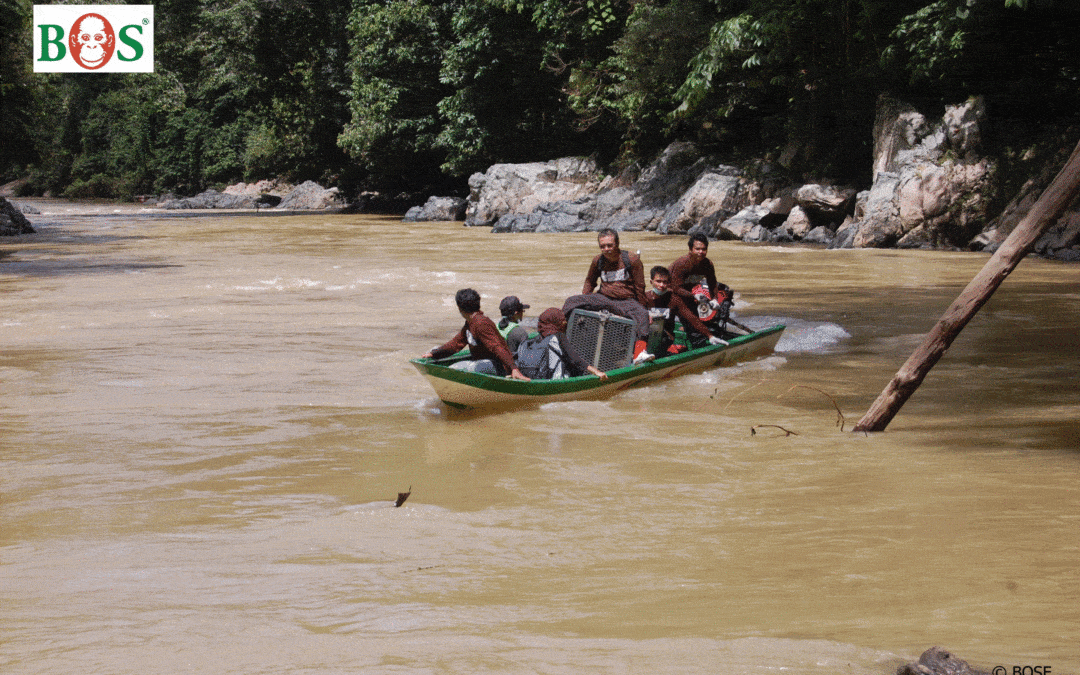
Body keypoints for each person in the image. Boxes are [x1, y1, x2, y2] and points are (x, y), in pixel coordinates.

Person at [560, 228, 654, 364]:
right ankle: (561, 333)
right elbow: (590, 281)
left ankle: (639, 352)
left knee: (642, 315)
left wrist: (645, 309)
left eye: (610, 245)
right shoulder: (598, 260)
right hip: (603, 297)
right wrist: (585, 300)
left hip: (626, 300)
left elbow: (640, 287)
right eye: (602, 246)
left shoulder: (631, 260)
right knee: (572, 301)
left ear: (617, 244)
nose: (607, 249)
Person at [422, 288, 530, 380]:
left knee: (455, 369)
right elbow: (456, 343)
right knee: (437, 351)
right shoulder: (471, 322)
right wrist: (435, 353)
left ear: (460, 308)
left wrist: (513, 368)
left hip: (499, 366)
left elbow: (497, 346)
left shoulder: (481, 323)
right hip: (485, 363)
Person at [668, 234, 734, 348]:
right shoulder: (682, 264)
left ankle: (698, 341)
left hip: (688, 295)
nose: (700, 252)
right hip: (671, 296)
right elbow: (675, 288)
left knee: (699, 324)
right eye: (697, 249)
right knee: (680, 323)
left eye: (703, 249)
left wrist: (714, 299)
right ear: (690, 249)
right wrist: (693, 295)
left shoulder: (707, 264)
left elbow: (712, 283)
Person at [645, 266, 728, 354]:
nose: (661, 285)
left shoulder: (673, 299)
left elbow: (691, 318)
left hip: (665, 339)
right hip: (647, 335)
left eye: (664, 282)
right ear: (651, 282)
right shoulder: (644, 298)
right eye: (658, 281)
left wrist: (710, 336)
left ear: (668, 283)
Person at [515, 308, 608, 380]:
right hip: (555, 379)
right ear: (555, 321)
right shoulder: (558, 336)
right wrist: (596, 372)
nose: (564, 322)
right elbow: (574, 358)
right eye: (561, 319)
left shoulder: (536, 338)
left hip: (537, 376)